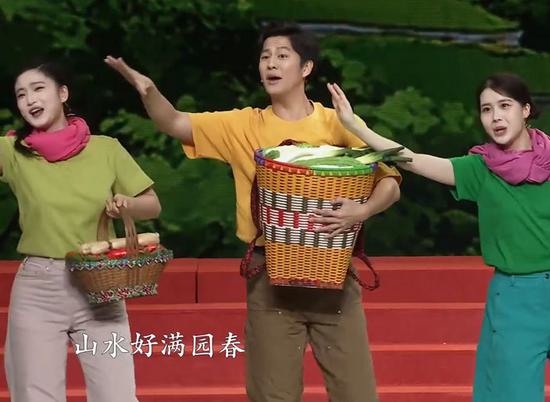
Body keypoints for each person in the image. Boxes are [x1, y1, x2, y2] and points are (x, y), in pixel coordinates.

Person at [105, 21, 401, 402]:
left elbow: (390, 181)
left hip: (334, 274)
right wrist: (148, 91)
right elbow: (175, 122)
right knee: (271, 395)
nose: (271, 64)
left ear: (306, 68)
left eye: (282, 56)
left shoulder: (337, 123)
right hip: (269, 275)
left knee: (357, 394)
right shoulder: (243, 124)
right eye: (265, 57)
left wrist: (361, 210)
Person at [325, 73, 550, 402]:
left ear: (525, 109)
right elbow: (413, 161)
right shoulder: (480, 168)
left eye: (504, 106)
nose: (495, 117)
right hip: (515, 301)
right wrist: (356, 127)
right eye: (486, 109)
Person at [3, 61, 161, 402]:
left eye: (38, 89)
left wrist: (127, 204)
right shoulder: (13, 152)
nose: (30, 99)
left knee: (117, 395)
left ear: (63, 93)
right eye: (21, 94)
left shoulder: (106, 149)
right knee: (35, 395)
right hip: (39, 288)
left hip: (100, 286)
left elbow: (152, 205)